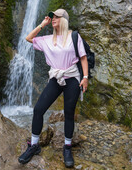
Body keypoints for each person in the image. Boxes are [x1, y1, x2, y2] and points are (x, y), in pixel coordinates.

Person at [18, 9, 89, 168]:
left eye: (56, 17)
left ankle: (67, 147)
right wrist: (42, 24)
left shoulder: (74, 37)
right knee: (38, 109)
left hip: (72, 77)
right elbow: (28, 38)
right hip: (56, 78)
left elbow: (83, 58)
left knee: (69, 113)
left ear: (64, 20)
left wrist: (85, 78)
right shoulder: (47, 39)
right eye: (52, 17)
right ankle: (34, 145)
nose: (53, 18)